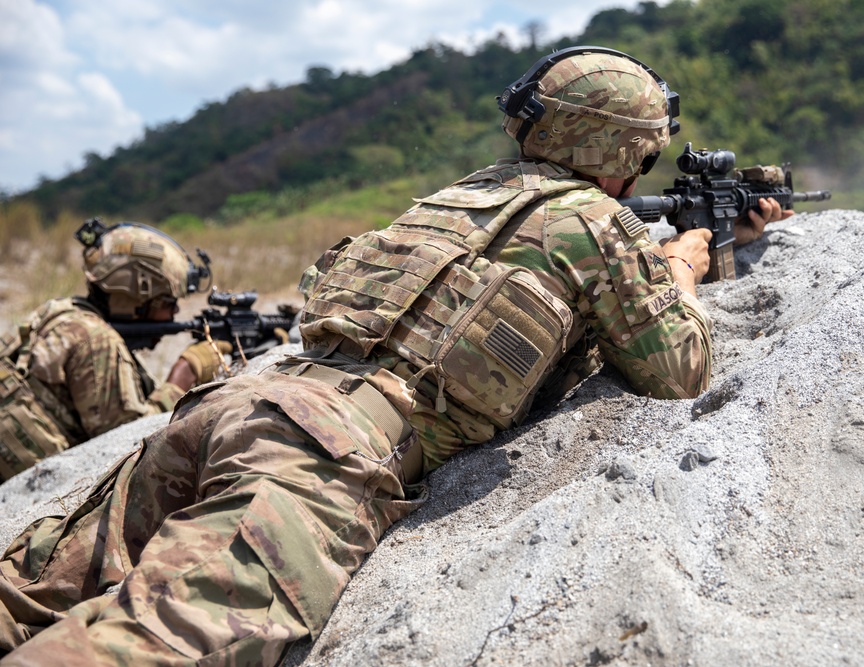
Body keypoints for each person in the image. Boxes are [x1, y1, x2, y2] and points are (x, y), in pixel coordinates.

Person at [0, 46, 791, 664]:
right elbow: (680, 368)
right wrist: (682, 264)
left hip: (239, 405)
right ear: (625, 146)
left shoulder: (455, 197)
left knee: (25, 595)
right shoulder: (599, 225)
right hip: (324, 455)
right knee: (149, 640)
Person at [0, 219, 231, 482]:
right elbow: (126, 446)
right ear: (137, 296)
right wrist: (184, 374)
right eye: (167, 302)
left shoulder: (58, 313)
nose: (174, 312)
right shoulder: (97, 340)